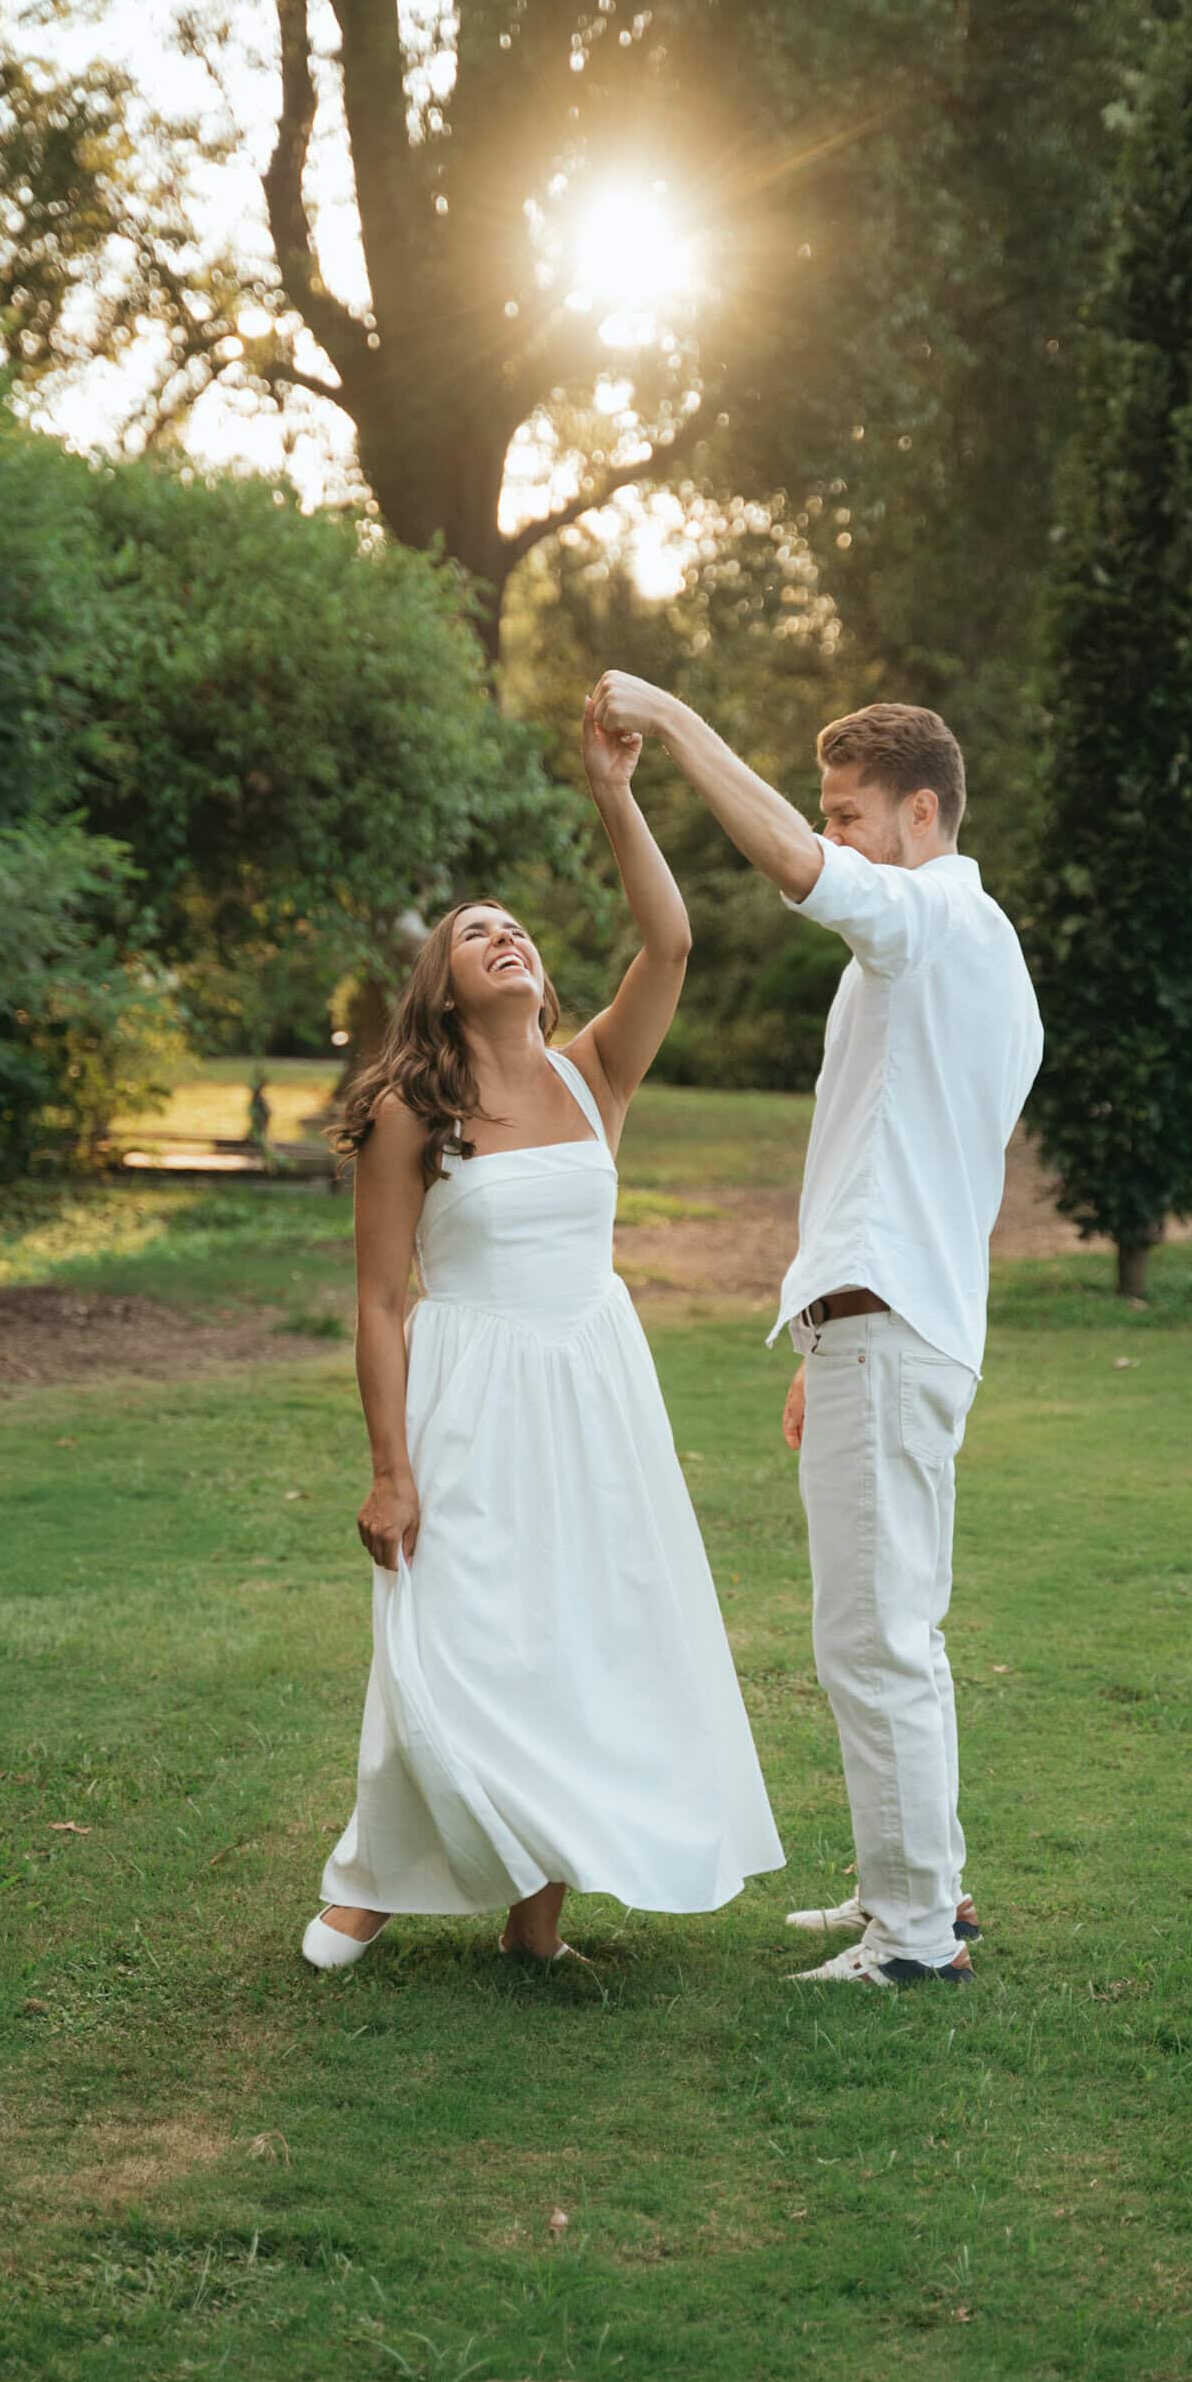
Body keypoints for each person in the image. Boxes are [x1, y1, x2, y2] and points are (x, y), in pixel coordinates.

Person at [303, 702, 782, 1972]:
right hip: (471, 1381)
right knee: (454, 1631)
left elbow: (670, 943)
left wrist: (615, 790)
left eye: (513, 927)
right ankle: (373, 1877)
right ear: (440, 982)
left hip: (595, 1381)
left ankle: (538, 1922)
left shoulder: (592, 1074)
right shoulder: (413, 1107)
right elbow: (379, 1298)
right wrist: (391, 1464)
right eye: (475, 933)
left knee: (588, 1629)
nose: (503, 935)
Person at [587, 678, 1042, 1992]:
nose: (832, 837)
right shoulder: (957, 947)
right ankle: (919, 1897)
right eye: (829, 814)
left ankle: (908, 1943)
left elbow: (789, 865)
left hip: (894, 1332)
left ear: (920, 812)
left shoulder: (934, 919)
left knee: (873, 1638)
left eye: (850, 814)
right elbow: (893, 1161)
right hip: (884, 1329)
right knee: (897, 1631)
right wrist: (819, 1337)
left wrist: (667, 722)